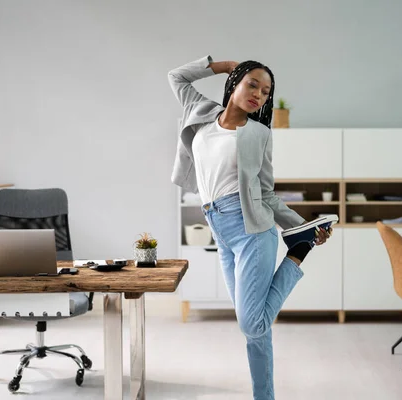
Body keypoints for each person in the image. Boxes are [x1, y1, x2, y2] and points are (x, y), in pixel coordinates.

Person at [168, 55, 337, 400]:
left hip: (252, 231)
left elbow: (266, 194)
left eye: (266, 91)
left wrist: (302, 227)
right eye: (253, 84)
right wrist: (219, 65)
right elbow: (177, 77)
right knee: (255, 331)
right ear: (235, 84)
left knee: (251, 323)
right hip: (218, 227)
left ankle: (298, 251)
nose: (259, 94)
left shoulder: (258, 134)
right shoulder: (200, 111)